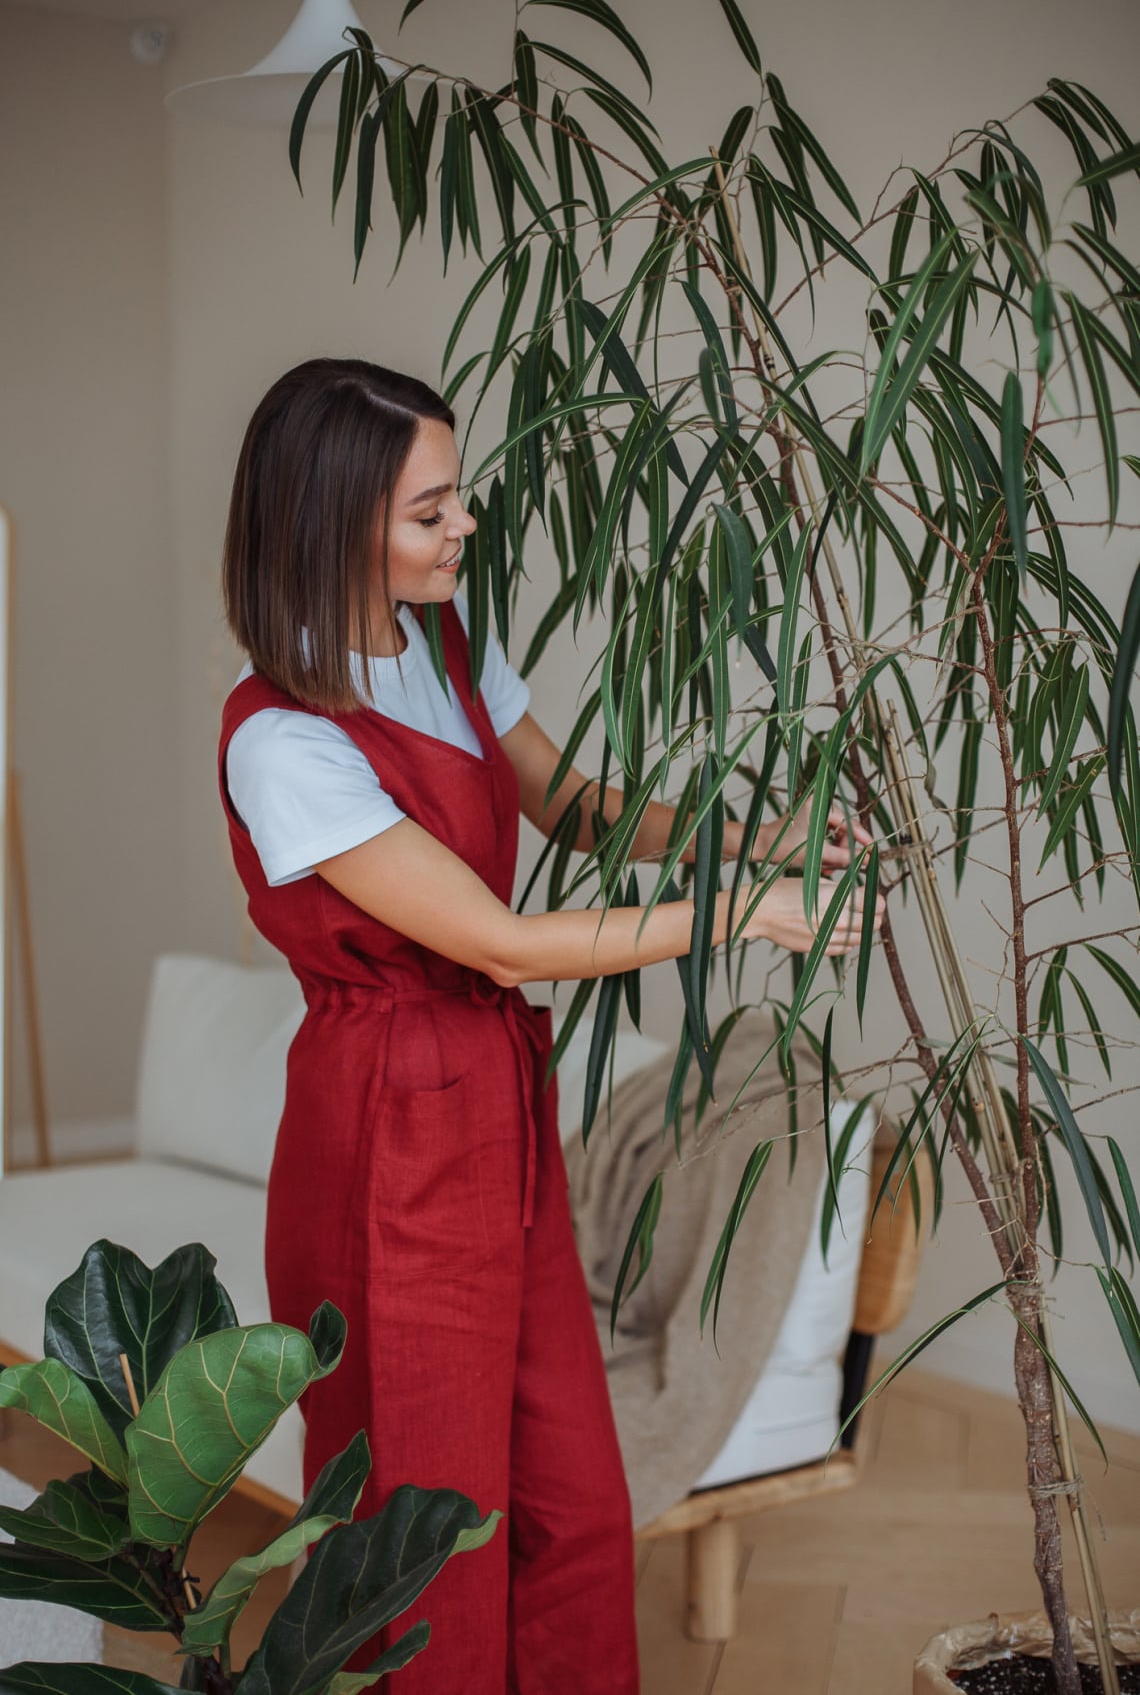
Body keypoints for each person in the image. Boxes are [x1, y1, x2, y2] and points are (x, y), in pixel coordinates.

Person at [218, 357, 879, 1695]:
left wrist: (752, 837)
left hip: (494, 1098)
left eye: (457, 495)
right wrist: (743, 911)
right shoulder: (281, 739)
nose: (464, 525)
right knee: (421, 1528)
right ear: (332, 523)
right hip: (389, 1122)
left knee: (574, 1495)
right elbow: (501, 940)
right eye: (430, 511)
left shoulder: (444, 639)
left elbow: (573, 804)